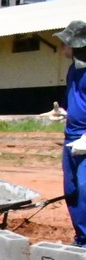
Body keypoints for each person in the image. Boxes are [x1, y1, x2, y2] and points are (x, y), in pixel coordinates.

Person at [53, 20, 86, 247]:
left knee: (85, 189)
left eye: (65, 43)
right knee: (72, 190)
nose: (62, 47)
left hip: (84, 138)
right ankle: (81, 237)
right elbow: (73, 100)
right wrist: (62, 112)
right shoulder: (73, 69)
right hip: (70, 137)